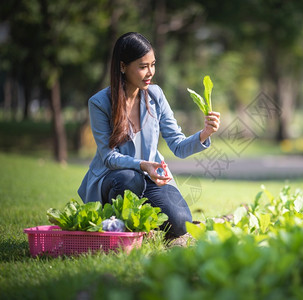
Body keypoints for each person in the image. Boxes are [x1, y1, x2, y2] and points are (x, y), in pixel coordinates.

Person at [77, 32, 220, 238]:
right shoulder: (99, 103)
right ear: (123, 66)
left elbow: (177, 146)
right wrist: (143, 164)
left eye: (153, 64)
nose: (150, 72)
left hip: (152, 177)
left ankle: (144, 227)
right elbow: (109, 157)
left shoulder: (156, 95)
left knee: (181, 223)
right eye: (143, 66)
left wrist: (205, 133)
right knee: (129, 178)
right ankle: (118, 229)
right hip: (115, 178)